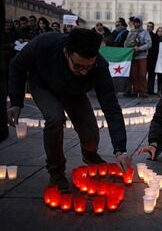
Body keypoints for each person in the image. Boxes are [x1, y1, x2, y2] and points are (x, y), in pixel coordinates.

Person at [7, 28, 132, 192]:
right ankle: (56, 171)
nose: (84, 72)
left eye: (89, 67)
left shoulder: (99, 67)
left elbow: (112, 107)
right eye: (79, 66)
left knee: (91, 135)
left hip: (75, 92)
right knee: (55, 118)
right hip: (43, 85)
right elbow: (17, 65)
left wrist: (120, 150)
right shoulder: (44, 44)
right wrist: (16, 102)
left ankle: (89, 154)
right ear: (67, 53)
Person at [124, 17, 152, 98]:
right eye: (135, 22)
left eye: (138, 22)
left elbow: (149, 44)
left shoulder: (145, 32)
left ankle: (143, 91)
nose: (136, 24)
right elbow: (126, 42)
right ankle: (135, 90)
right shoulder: (131, 32)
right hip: (132, 56)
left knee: (142, 74)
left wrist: (140, 48)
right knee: (134, 74)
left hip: (142, 56)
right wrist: (128, 48)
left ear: (141, 23)